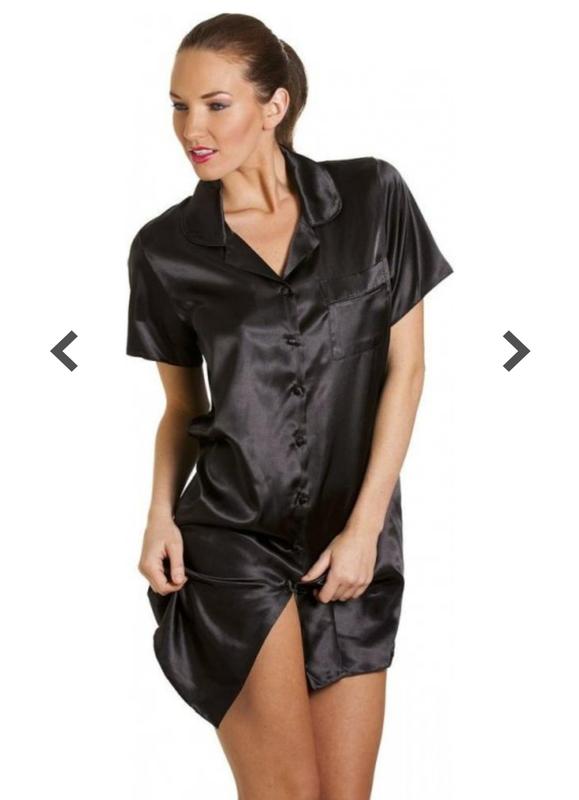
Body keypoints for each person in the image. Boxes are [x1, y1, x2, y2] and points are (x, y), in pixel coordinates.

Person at [126, 12, 454, 800]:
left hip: (352, 536)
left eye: (215, 105)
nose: (192, 129)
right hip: (231, 540)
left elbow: (406, 370)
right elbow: (181, 408)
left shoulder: (373, 195)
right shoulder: (163, 249)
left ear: (273, 106)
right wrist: (159, 516)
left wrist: (365, 529)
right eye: (178, 106)